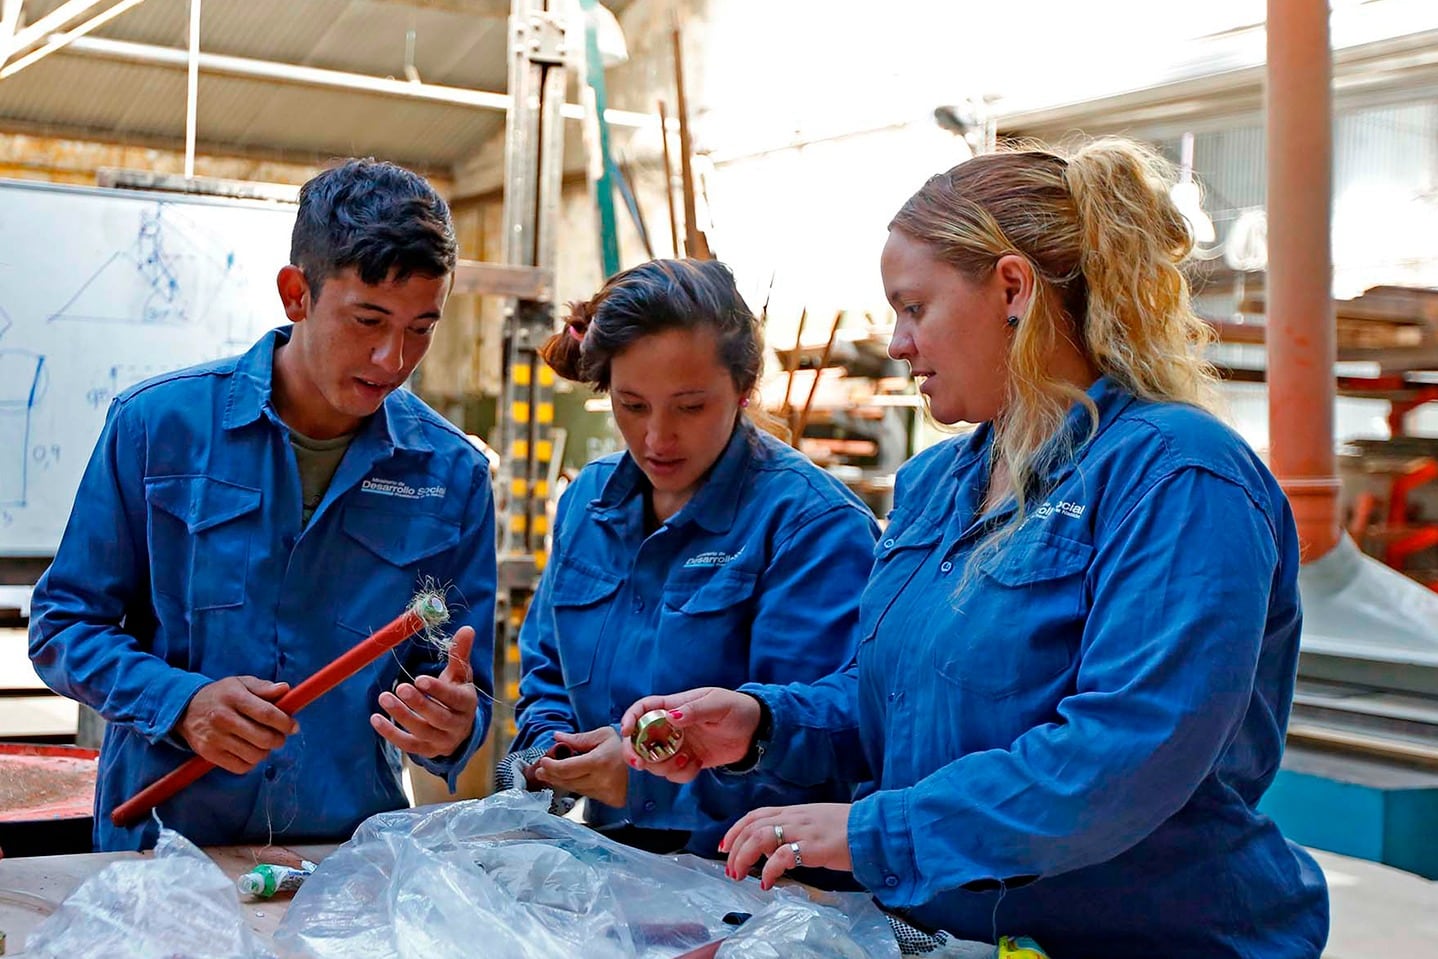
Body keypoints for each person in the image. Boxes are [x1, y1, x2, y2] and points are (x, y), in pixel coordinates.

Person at [620, 140, 1330, 957]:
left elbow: (1127, 751)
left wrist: (878, 831)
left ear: (1013, 289)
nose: (896, 342)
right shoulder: (937, 483)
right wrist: (764, 723)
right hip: (964, 936)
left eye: (914, 307)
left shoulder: (1177, 476)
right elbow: (904, 705)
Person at [28, 158, 497, 852]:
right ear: (295, 294)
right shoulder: (157, 428)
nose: (393, 358)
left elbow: (459, 684)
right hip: (163, 849)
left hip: (341, 862)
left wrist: (452, 727)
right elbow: (64, 624)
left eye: (421, 328)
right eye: (367, 320)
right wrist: (180, 703)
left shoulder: (452, 474)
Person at [506, 258, 879, 858]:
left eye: (690, 407)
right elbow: (547, 672)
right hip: (608, 862)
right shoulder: (587, 502)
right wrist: (552, 750)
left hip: (757, 881)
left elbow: (828, 743)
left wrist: (646, 784)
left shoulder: (812, 526)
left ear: (743, 389)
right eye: (632, 405)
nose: (657, 438)